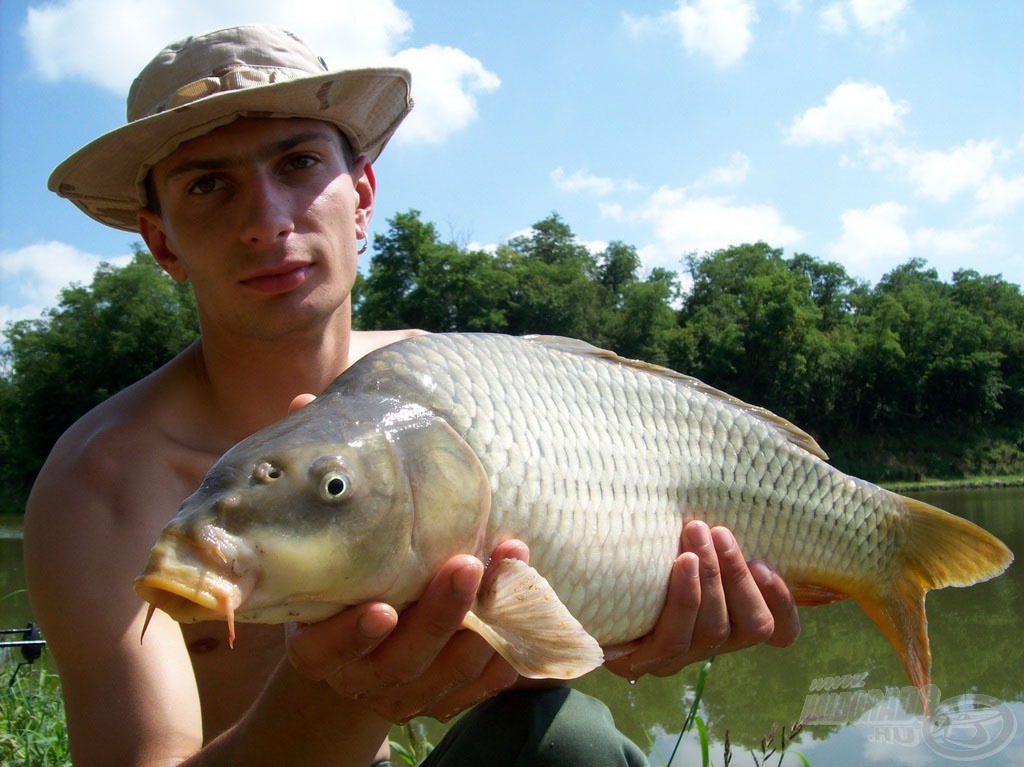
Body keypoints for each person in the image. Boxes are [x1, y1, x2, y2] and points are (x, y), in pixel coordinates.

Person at [24, 24, 800, 767]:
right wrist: (343, 690)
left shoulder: (458, 395)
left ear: (361, 196)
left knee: (567, 737)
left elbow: (531, 635)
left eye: (296, 163)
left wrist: (637, 631)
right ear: (163, 242)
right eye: (207, 184)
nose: (265, 221)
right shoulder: (102, 484)